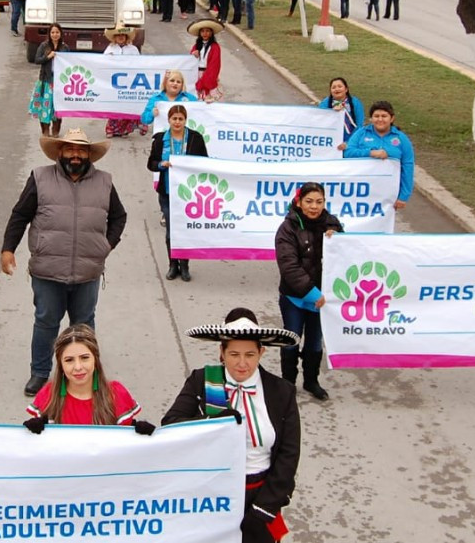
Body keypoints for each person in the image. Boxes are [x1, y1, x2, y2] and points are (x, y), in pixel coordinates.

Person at [1, 129, 127, 396]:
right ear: (60, 152)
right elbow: (20, 214)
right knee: (46, 321)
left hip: (88, 272)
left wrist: (106, 246)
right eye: (70, 149)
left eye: (81, 150)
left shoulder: (104, 182)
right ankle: (40, 373)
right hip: (47, 271)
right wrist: (7, 249)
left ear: (89, 155)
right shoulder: (40, 178)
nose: (76, 154)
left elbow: (119, 217)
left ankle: (88, 376)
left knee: (83, 326)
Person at [163, 308, 301, 543]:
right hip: (211, 495)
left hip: (260, 494)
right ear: (221, 353)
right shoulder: (201, 381)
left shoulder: (280, 391)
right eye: (234, 354)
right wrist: (211, 422)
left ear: (261, 352)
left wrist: (263, 510)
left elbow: (289, 454)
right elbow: (170, 424)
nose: (242, 363)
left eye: (250, 355)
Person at [275, 182, 343, 401]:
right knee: (291, 340)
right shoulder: (287, 229)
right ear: (299, 202)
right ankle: (287, 384)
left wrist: (340, 238)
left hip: (322, 301)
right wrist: (314, 294)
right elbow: (289, 267)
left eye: (319, 201)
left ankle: (311, 381)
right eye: (309, 201)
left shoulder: (332, 225)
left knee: (315, 343)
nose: (314, 206)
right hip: (295, 298)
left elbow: (347, 256)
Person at [23, 324, 145, 430]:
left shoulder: (116, 394)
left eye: (84, 358)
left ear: (95, 359)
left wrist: (136, 432)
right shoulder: (48, 396)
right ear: (60, 365)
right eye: (69, 360)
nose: (78, 367)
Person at [147, 104, 208, 281]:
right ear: (169, 120)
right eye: (174, 118)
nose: (177, 122)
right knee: (171, 231)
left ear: (185, 120)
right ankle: (173, 265)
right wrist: (161, 165)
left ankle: (185, 265)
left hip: (188, 193)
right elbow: (151, 163)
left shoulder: (196, 138)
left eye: (181, 119)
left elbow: (204, 162)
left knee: (184, 230)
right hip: (166, 192)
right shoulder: (160, 140)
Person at [343, 100, 415, 209]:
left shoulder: (401, 139)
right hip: (359, 190)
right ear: (371, 119)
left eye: (384, 116)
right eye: (376, 116)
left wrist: (403, 196)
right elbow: (348, 153)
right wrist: (370, 152)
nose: (380, 119)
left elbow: (407, 166)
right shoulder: (361, 133)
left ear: (392, 118)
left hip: (387, 194)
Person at [30, 24, 69, 137]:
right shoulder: (44, 46)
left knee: (57, 106)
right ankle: (45, 129)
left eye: (57, 32)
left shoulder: (64, 47)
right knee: (45, 106)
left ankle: (56, 129)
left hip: (60, 82)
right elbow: (37, 60)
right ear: (49, 34)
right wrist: (48, 57)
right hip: (46, 81)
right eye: (52, 32)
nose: (55, 35)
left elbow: (70, 62)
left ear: (60, 33)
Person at [102, 24, 140, 138]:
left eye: (123, 35)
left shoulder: (133, 50)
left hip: (129, 82)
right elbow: (102, 63)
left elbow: (140, 64)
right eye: (118, 35)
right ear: (115, 37)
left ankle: (124, 130)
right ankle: (111, 129)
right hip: (114, 82)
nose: (121, 37)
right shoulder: (110, 49)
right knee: (114, 105)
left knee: (125, 105)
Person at [140, 69, 197, 137]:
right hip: (163, 138)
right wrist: (152, 113)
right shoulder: (156, 99)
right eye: (172, 80)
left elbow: (201, 110)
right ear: (165, 83)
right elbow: (144, 120)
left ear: (182, 85)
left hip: (185, 137)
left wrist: (208, 103)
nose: (175, 83)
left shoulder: (190, 98)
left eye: (178, 82)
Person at [318, 77, 365, 148]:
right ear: (330, 91)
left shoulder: (355, 102)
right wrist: (332, 113)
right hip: (331, 142)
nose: (337, 89)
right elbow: (320, 122)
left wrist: (349, 143)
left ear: (346, 89)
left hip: (351, 141)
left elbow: (359, 125)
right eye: (333, 87)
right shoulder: (325, 103)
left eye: (340, 86)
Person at [189, 18, 223, 102]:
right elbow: (189, 61)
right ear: (199, 33)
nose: (205, 33)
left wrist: (205, 79)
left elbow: (214, 64)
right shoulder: (196, 46)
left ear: (211, 33)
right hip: (196, 74)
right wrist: (193, 55)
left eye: (207, 31)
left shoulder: (215, 47)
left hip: (209, 74)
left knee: (210, 100)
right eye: (202, 31)